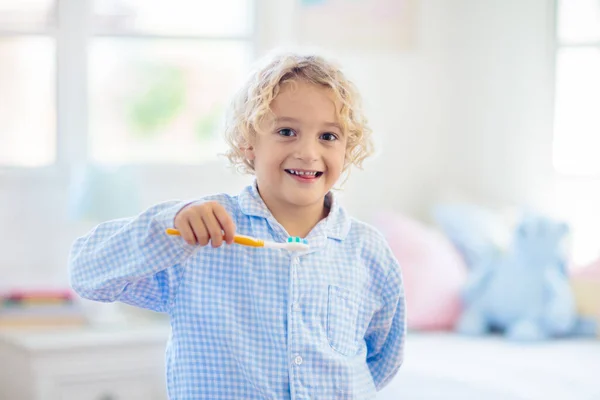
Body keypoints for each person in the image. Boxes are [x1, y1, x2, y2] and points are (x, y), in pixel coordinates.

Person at [69, 50, 405, 399]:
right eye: (287, 131)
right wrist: (169, 223)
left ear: (348, 149)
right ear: (248, 143)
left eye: (329, 136)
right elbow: (87, 274)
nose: (308, 152)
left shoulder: (369, 251)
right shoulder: (198, 234)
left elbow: (382, 359)